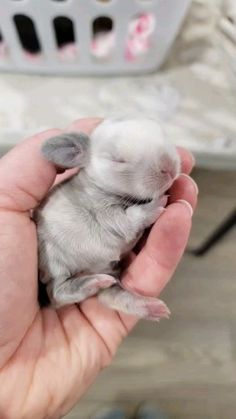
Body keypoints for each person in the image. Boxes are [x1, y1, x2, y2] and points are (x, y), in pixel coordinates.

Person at [0, 118, 198, 419]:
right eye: (120, 161)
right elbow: (107, 221)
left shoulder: (125, 180)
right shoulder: (84, 194)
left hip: (106, 262)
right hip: (63, 253)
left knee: (114, 283)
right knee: (72, 277)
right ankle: (64, 289)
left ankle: (128, 301)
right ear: (79, 155)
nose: (167, 167)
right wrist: (138, 217)